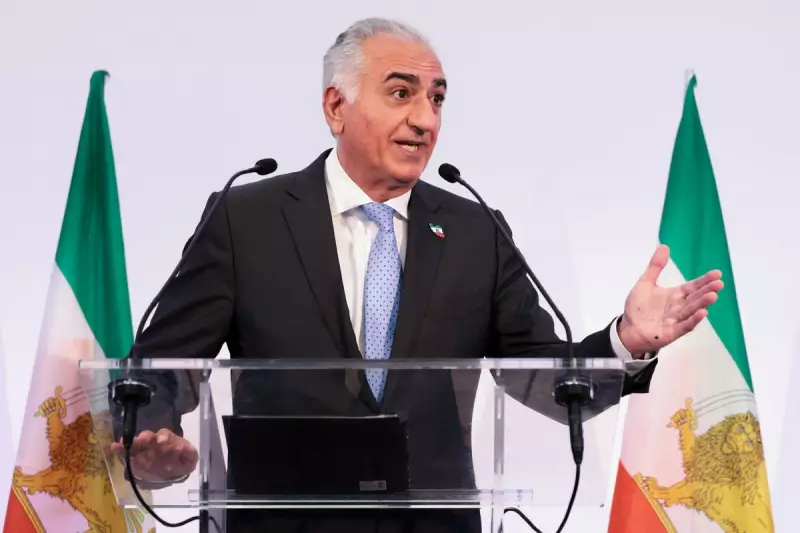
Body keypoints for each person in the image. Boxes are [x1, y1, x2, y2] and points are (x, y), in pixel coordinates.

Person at [110, 17, 723, 533]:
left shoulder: (476, 229)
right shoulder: (246, 218)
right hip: (282, 521)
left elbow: (542, 376)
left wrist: (625, 343)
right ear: (336, 106)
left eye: (437, 99)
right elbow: (161, 365)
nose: (425, 119)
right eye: (401, 93)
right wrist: (152, 436)